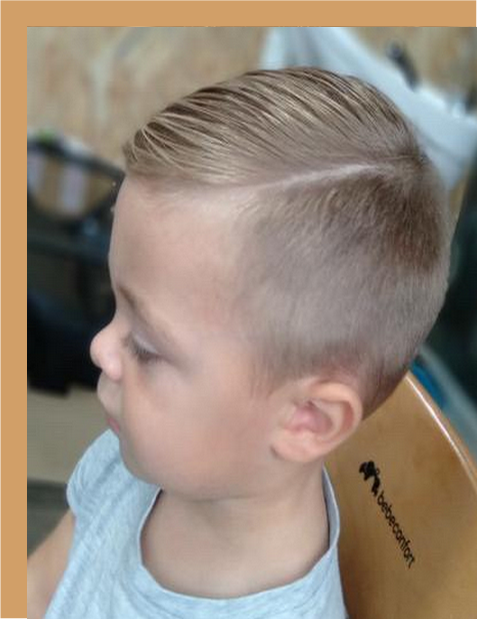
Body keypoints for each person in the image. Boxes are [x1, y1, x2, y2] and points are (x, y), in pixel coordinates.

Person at [27, 67, 451, 618]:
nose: (101, 348)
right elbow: (40, 587)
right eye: (116, 304)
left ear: (307, 420)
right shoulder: (147, 451)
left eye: (147, 347)